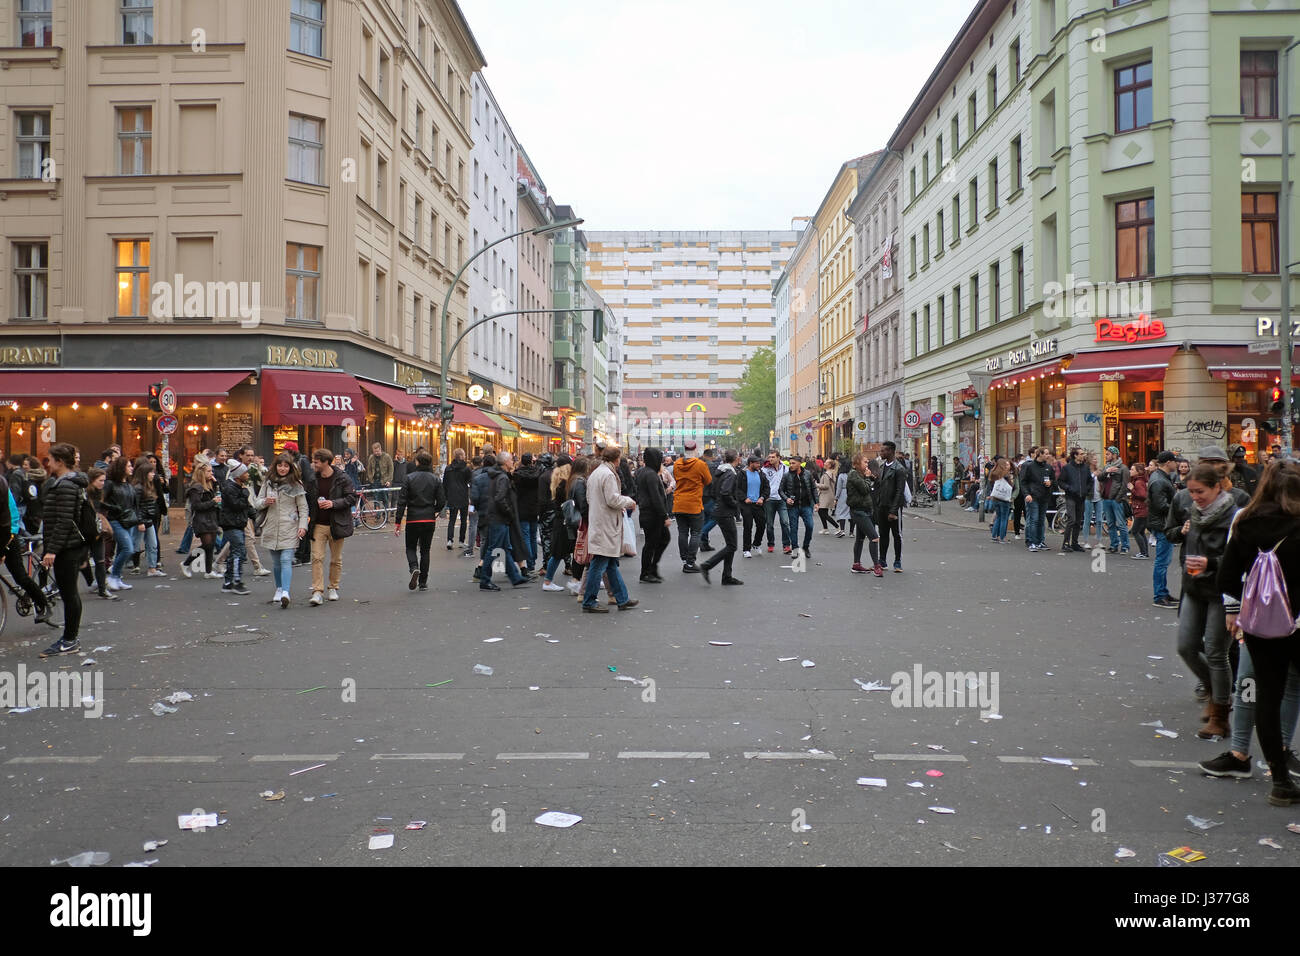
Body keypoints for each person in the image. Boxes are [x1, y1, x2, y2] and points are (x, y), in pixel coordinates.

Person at [1212, 459, 1300, 801]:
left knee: (1268, 696)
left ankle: (1280, 780)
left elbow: (1227, 578)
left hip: (1263, 627)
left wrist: (1235, 612)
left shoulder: (1247, 522)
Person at [1165, 461, 1240, 739]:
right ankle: (1213, 687)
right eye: (1191, 492)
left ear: (1216, 487)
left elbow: (1240, 560)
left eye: (1200, 492)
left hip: (1222, 592)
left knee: (1217, 651)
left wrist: (1210, 562)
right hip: (1194, 587)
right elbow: (1172, 532)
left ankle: (1221, 714)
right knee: (1185, 646)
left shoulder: (1235, 516)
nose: (1194, 497)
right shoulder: (1194, 512)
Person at [36, 444, 88, 658]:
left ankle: (69, 639)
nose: (47, 463)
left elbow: (64, 521)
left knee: (69, 594)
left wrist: (52, 550)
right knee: (68, 593)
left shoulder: (66, 486)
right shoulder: (64, 483)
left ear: (60, 461)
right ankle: (69, 638)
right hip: (69, 545)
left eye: (50, 459)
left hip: (67, 547)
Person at [581, 446, 638, 613]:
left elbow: (590, 498)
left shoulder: (596, 473)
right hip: (605, 524)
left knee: (610, 564)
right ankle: (589, 601)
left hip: (600, 522)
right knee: (599, 564)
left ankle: (622, 598)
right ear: (616, 459)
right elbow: (613, 499)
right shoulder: (607, 474)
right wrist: (629, 501)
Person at [252, 453, 310, 608]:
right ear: (275, 466)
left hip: (289, 526)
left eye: (286, 466)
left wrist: (303, 526)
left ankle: (286, 592)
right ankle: (278, 588)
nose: (282, 468)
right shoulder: (268, 482)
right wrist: (265, 502)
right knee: (276, 562)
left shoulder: (296, 484)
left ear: (290, 467)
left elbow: (303, 507)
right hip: (271, 526)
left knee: (286, 560)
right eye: (280, 465)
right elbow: (256, 503)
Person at [0, 464, 54, 624]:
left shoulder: (2, 486)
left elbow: (10, 519)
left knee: (20, 577)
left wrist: (2, 549)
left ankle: (43, 604)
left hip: (8, 534)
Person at [308, 448, 358, 605]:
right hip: (318, 524)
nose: (313, 464)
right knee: (316, 557)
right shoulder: (312, 478)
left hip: (337, 524)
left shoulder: (342, 478)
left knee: (336, 559)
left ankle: (333, 587)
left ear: (325, 462)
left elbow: (351, 498)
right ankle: (317, 591)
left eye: (316, 462)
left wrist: (333, 503)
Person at [393, 451, 445, 592]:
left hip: (413, 518)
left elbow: (402, 501)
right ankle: (423, 582)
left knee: (410, 547)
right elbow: (441, 501)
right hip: (428, 517)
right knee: (425, 550)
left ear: (417, 462)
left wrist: (398, 521)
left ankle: (414, 567)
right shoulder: (435, 479)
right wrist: (434, 510)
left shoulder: (409, 478)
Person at [477, 452, 528, 591]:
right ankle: (485, 579)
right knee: (494, 549)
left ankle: (515, 577)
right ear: (506, 463)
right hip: (499, 518)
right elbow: (500, 498)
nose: (513, 462)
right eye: (511, 460)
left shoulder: (496, 476)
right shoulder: (503, 478)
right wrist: (509, 512)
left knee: (505, 548)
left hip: (497, 517)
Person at [699, 449, 743, 586]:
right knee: (732, 546)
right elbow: (725, 492)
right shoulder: (730, 473)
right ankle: (707, 565)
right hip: (725, 512)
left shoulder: (720, 471)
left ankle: (727, 576)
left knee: (731, 545)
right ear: (736, 459)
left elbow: (713, 490)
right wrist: (735, 504)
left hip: (719, 510)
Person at [671, 440, 712, 573]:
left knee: (682, 532)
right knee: (696, 532)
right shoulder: (700, 464)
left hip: (678, 502)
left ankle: (684, 560)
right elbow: (708, 480)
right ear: (695, 450)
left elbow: (677, 479)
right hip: (694, 503)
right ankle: (690, 562)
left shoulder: (677, 464)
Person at [101, 456, 140, 591]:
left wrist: (138, 518)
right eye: (129, 466)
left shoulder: (129, 485)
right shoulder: (110, 484)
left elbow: (134, 504)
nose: (131, 468)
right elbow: (101, 501)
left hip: (128, 520)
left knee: (123, 549)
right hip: (115, 520)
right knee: (128, 548)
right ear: (121, 468)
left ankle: (116, 577)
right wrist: (113, 508)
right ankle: (112, 577)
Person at [1148, 451, 1180, 607]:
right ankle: (1159, 595)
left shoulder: (1161, 478)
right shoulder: (1159, 480)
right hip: (1162, 524)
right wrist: (1178, 508)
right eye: (1175, 461)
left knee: (1163, 561)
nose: (1177, 464)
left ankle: (1163, 592)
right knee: (1162, 561)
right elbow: (1160, 505)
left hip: (1162, 523)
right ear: (1168, 462)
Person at [636, 447, 671, 583]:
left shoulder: (643, 472)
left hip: (648, 513)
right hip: (652, 514)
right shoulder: (650, 474)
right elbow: (655, 497)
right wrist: (664, 516)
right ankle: (646, 572)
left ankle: (651, 568)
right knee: (652, 543)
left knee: (661, 539)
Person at [181, 462, 222, 579]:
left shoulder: (209, 485)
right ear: (201, 473)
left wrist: (215, 482)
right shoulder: (196, 488)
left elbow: (220, 492)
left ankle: (208, 571)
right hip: (201, 520)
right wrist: (213, 502)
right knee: (207, 545)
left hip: (212, 518)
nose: (211, 473)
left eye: (211, 471)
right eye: (209, 471)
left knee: (211, 545)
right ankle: (186, 563)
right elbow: (197, 506)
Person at [81, 467, 117, 600]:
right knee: (80, 561)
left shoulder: (99, 493)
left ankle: (102, 589)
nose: (103, 483)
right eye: (100, 480)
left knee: (100, 561)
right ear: (92, 480)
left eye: (104, 480)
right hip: (85, 531)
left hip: (96, 531)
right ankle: (59, 588)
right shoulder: (84, 493)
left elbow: (102, 506)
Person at [217, 462, 253, 595]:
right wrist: (245, 494)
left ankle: (228, 582)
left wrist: (254, 515)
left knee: (234, 552)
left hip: (236, 523)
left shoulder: (237, 487)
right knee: (238, 551)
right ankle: (237, 581)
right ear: (238, 475)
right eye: (245, 473)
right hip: (232, 524)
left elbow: (246, 506)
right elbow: (237, 505)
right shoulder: (232, 488)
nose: (247, 475)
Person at [847, 452, 883, 576]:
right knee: (874, 537)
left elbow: (873, 484)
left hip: (866, 510)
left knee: (860, 538)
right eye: (865, 462)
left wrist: (871, 477)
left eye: (867, 462)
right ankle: (877, 566)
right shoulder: (853, 475)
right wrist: (868, 478)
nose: (867, 464)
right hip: (858, 511)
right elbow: (864, 489)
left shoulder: (860, 475)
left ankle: (856, 564)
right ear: (857, 464)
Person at [875, 441, 907, 571]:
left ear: (890, 452)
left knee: (896, 535)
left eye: (883, 451)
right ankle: (882, 560)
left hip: (893, 508)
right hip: (882, 506)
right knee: (883, 535)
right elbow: (880, 486)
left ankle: (897, 561)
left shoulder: (899, 469)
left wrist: (894, 510)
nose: (881, 453)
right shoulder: (882, 467)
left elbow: (900, 491)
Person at [511, 453, 542, 573]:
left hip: (521, 507)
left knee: (526, 536)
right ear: (532, 461)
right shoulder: (538, 473)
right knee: (533, 535)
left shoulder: (517, 475)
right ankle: (532, 561)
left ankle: (529, 562)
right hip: (534, 507)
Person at [781, 457, 817, 558]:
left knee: (810, 526)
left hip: (806, 505)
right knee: (793, 528)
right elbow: (781, 490)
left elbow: (813, 488)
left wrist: (816, 502)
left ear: (799, 464)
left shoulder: (807, 474)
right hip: (793, 506)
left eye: (793, 463)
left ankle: (806, 547)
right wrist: (786, 499)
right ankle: (795, 549)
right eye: (790, 463)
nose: (790, 465)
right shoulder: (786, 475)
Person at [1057, 447, 1090, 554]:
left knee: (1078, 521)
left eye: (1083, 453)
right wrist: (1069, 488)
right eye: (1081, 453)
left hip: (1082, 497)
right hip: (1071, 496)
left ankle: (1075, 543)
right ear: (1075, 455)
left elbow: (1090, 481)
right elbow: (1061, 481)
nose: (1083, 455)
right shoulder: (1067, 468)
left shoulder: (1085, 467)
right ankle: (1065, 543)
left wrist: (1087, 490)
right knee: (1072, 519)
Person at [1098, 446, 1130, 554]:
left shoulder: (1123, 468)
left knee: (1121, 524)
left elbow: (1124, 485)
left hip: (1117, 500)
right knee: (1110, 524)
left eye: (1108, 454)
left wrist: (1118, 498)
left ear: (1114, 455)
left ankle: (1125, 546)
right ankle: (1114, 545)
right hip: (1106, 499)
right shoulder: (1106, 466)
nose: (1106, 456)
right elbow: (1099, 478)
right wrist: (1107, 471)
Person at [1021, 446, 1053, 552]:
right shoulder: (1029, 466)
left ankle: (1040, 541)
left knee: (1041, 520)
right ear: (1040, 454)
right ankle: (1031, 542)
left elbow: (1054, 480)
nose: (1048, 456)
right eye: (1046, 453)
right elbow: (1023, 482)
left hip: (1044, 496)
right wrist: (1027, 494)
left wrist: (1051, 483)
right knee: (1033, 519)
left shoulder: (1048, 467)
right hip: (1033, 496)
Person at [740, 455, 769, 559]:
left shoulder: (761, 474)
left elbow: (766, 488)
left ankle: (756, 544)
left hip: (758, 504)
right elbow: (737, 489)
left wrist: (762, 498)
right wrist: (744, 498)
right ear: (751, 463)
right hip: (746, 504)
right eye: (757, 463)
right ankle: (746, 549)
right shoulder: (742, 474)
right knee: (748, 526)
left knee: (762, 524)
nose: (759, 465)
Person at [760, 451, 791, 553]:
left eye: (773, 457)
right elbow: (762, 484)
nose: (770, 459)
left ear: (779, 458)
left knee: (785, 522)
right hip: (770, 500)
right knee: (769, 524)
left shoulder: (785, 469)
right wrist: (764, 497)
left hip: (782, 499)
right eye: (769, 457)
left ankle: (786, 545)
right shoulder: (765, 469)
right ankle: (771, 544)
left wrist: (788, 496)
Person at [443, 448, 471, 552]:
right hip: (463, 495)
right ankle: (461, 541)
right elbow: (469, 481)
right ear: (461, 456)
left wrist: (446, 496)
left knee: (452, 520)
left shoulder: (448, 468)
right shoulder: (466, 469)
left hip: (452, 496)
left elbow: (445, 483)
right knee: (463, 520)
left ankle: (449, 540)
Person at [698, 447, 721, 553]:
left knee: (705, 519)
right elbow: (712, 482)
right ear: (712, 456)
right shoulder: (712, 466)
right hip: (709, 495)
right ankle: (701, 534)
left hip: (700, 495)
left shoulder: (698, 465)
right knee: (715, 517)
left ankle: (704, 543)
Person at [988, 457, 1014, 543]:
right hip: (1004, 499)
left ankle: (994, 536)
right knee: (1004, 518)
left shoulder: (993, 472)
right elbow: (1010, 486)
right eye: (1006, 464)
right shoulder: (1005, 474)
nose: (1007, 466)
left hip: (995, 498)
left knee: (998, 517)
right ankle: (1002, 537)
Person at [1128, 462, 1151, 559]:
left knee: (1135, 531)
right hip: (1142, 509)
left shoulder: (1138, 482)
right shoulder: (1140, 480)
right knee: (1141, 532)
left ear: (1138, 472)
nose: (1130, 471)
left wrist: (1132, 489)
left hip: (1141, 510)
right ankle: (1144, 552)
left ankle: (1143, 553)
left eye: (1132, 469)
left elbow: (1142, 495)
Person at [816, 460, 837, 533]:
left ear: (829, 465)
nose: (824, 463)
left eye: (826, 463)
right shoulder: (832, 473)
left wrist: (816, 484)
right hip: (829, 495)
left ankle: (837, 527)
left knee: (822, 513)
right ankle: (825, 528)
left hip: (825, 495)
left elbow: (826, 486)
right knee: (822, 512)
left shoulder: (826, 474)